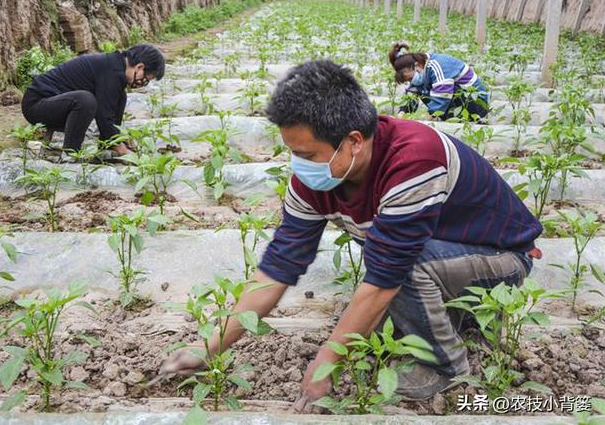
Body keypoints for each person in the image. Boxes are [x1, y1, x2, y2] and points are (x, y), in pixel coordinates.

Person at [158, 60, 541, 410]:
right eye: (292, 152)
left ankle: (444, 363)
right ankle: (455, 320)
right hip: (443, 254)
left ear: (354, 141)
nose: (298, 165)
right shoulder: (314, 181)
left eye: (307, 154)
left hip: (501, 260)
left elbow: (386, 276)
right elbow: (278, 268)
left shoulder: (415, 159)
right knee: (383, 270)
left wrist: (327, 362)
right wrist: (210, 347)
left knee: (400, 268)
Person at [21, 44, 165, 156]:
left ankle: (107, 143)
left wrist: (118, 139)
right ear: (140, 67)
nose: (143, 83)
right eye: (146, 79)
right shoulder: (112, 71)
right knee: (86, 100)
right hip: (37, 105)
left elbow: (109, 111)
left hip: (55, 105)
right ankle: (71, 153)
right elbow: (103, 116)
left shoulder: (115, 67)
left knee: (120, 96)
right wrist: (122, 151)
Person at [389, 43, 489, 121]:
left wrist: (427, 117)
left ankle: (458, 118)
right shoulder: (422, 69)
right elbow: (412, 92)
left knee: (440, 90)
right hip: (458, 104)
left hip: (475, 105)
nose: (411, 81)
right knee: (420, 90)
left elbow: (443, 96)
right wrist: (403, 112)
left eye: (410, 79)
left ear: (417, 65)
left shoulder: (437, 65)